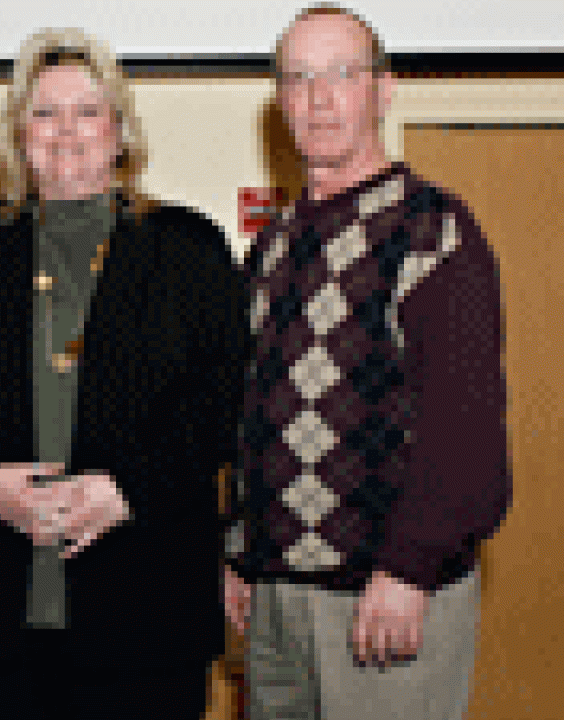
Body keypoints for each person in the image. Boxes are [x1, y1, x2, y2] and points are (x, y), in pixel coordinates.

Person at [0, 28, 251, 720]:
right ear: (18, 134)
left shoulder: (190, 248)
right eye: (45, 113)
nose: (66, 131)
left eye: (88, 111)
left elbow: (221, 399)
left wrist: (127, 489)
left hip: (146, 606)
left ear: (120, 131)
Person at [222, 5, 511, 719]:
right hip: (275, 600)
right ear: (281, 101)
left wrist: (409, 569)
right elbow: (252, 413)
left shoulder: (432, 230)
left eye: (342, 74)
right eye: (299, 78)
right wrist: (241, 551)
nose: (319, 98)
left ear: (383, 90)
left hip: (385, 596)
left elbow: (464, 430)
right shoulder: (271, 246)